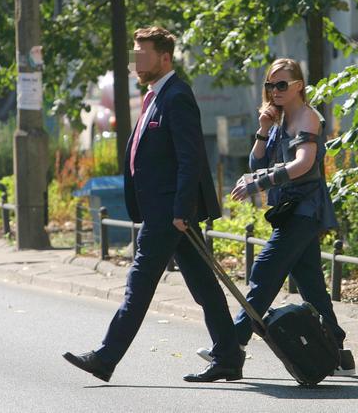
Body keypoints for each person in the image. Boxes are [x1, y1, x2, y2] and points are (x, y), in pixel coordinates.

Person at [63, 27, 244, 383]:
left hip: (169, 213)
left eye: (142, 54)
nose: (136, 62)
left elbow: (190, 158)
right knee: (204, 286)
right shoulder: (153, 98)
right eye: (135, 54)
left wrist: (181, 210)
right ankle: (228, 356)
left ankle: (105, 357)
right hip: (165, 212)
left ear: (164, 57)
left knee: (139, 284)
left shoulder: (177, 96)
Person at [195, 58, 355, 376]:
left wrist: (260, 182)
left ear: (298, 86)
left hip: (304, 211)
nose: (275, 90)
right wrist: (264, 128)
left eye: (282, 84)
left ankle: (231, 347)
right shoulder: (280, 120)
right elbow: (257, 162)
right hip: (289, 212)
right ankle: (338, 354)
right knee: (310, 284)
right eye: (270, 85)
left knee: (265, 271)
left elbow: (304, 163)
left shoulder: (308, 118)